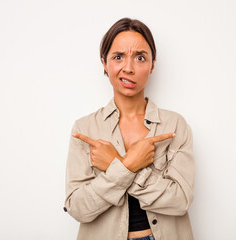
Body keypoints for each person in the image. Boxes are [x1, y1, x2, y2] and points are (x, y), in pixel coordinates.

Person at [63, 17, 195, 240]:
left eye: (140, 57)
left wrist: (117, 166)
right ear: (104, 63)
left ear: (152, 64)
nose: (129, 68)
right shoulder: (84, 129)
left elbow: (180, 200)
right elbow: (77, 208)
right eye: (118, 57)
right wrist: (129, 165)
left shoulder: (175, 125)